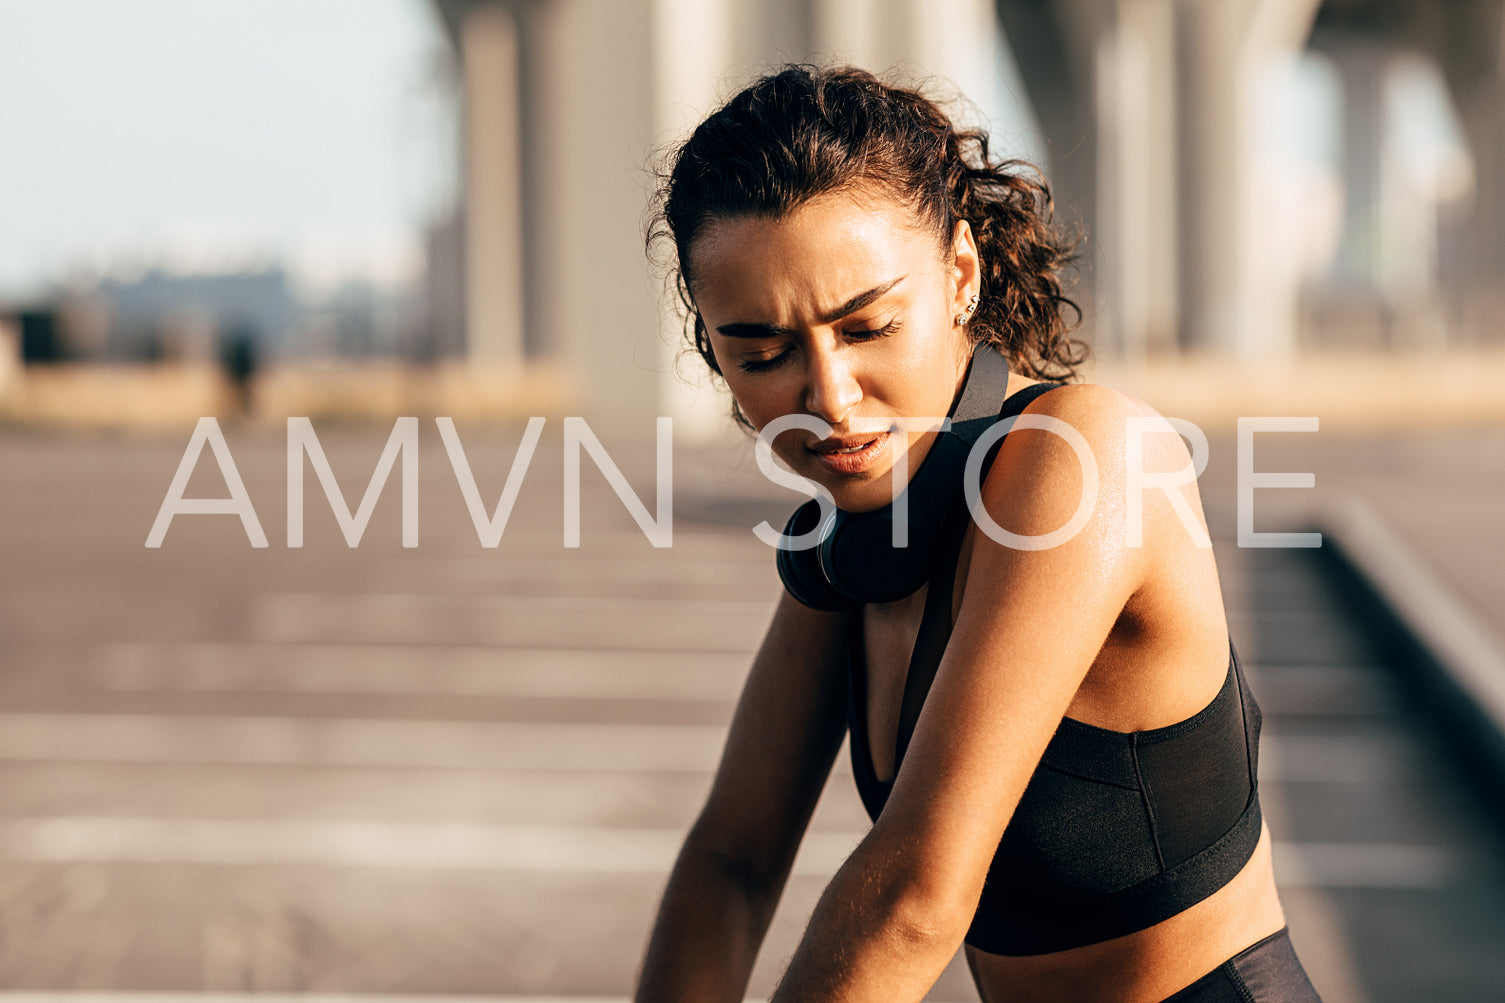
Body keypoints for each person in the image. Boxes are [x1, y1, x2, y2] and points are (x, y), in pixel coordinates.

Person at [635, 64, 1321, 1003]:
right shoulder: (866, 534)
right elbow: (732, 858)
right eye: (762, 352)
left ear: (960, 274)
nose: (828, 399)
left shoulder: (1084, 455)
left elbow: (918, 894)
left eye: (867, 326)